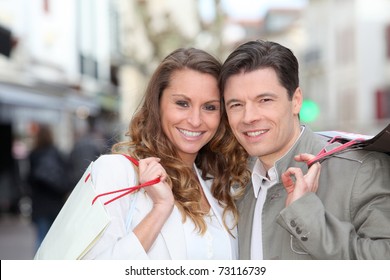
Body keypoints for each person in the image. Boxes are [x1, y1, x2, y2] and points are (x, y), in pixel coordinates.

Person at [41, 47, 249, 260]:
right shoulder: (118, 173)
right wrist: (160, 209)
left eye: (210, 107)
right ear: (157, 105)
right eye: (182, 103)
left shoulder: (217, 186)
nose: (195, 120)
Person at [219, 40, 390, 259]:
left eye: (264, 100)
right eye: (236, 105)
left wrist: (307, 215)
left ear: (296, 100)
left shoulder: (363, 171)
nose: (249, 117)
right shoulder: (233, 183)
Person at [27, 123, 69, 249]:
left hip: (40, 203)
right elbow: (65, 175)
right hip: (56, 202)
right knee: (54, 240)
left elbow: (29, 179)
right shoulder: (57, 153)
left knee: (41, 238)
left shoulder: (33, 154)